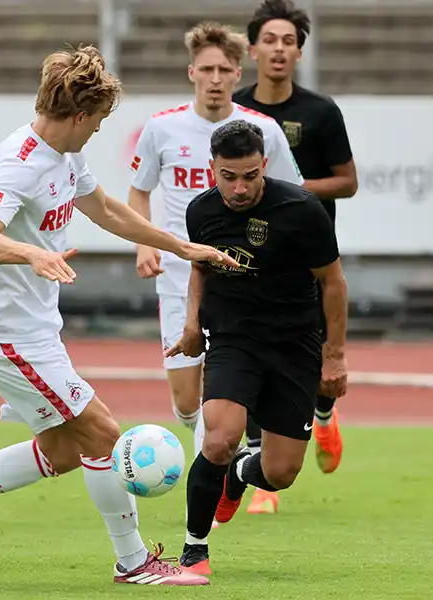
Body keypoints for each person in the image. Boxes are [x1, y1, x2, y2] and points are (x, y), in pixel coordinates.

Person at [0, 45, 239, 585]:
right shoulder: (20, 161)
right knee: (102, 432)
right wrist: (33, 253)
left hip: (32, 330)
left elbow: (106, 210)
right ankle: (133, 562)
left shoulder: (65, 155)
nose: (99, 131)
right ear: (79, 114)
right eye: (99, 121)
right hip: (8, 333)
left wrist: (181, 246)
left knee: (65, 448)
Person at [162, 119, 348, 575]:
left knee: (281, 472)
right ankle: (194, 552)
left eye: (250, 175)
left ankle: (241, 474)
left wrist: (335, 354)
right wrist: (190, 325)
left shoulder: (303, 209)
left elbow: (334, 283)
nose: (240, 188)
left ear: (264, 165)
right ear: (212, 169)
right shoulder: (201, 212)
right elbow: (200, 269)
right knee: (220, 437)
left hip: (295, 346)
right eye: (229, 176)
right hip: (233, 339)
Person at [128, 21, 302, 478]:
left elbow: (294, 197)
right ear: (192, 73)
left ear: (237, 71)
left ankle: (225, 472)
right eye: (206, 68)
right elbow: (138, 192)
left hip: (245, 278)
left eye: (225, 69)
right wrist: (144, 243)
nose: (216, 78)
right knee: (186, 400)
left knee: (236, 379)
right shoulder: (162, 129)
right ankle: (222, 453)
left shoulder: (261, 131)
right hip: (177, 274)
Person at [231, 0, 358, 514]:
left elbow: (348, 182)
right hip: (255, 254)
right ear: (253, 49)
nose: (279, 49)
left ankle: (324, 412)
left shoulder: (320, 112)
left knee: (314, 358)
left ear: (299, 52)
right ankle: (262, 477)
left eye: (289, 41)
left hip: (310, 254)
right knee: (263, 353)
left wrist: (291, 189)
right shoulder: (236, 110)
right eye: (271, 40)